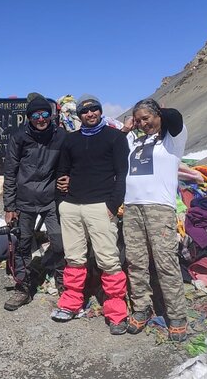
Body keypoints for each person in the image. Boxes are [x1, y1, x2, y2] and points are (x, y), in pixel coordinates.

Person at [51, 94, 130, 335]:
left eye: (94, 109)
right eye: (85, 111)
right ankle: (71, 303)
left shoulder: (115, 137)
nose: (90, 114)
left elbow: (122, 174)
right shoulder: (70, 140)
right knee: (74, 257)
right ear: (79, 115)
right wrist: (61, 194)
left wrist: (113, 204)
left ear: (100, 111)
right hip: (72, 207)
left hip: (101, 206)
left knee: (108, 259)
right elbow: (62, 170)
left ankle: (116, 311)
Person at [121, 99, 188, 341]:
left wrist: (156, 112)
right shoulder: (135, 140)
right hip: (131, 208)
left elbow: (175, 116)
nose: (142, 123)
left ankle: (177, 315)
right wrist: (128, 128)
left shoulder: (172, 139)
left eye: (146, 118)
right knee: (136, 261)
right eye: (138, 120)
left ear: (158, 115)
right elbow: (116, 146)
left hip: (159, 208)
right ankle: (142, 307)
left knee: (165, 262)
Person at [2, 94, 66, 310]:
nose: (41, 119)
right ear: (29, 118)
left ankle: (64, 287)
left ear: (51, 115)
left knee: (59, 244)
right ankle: (23, 289)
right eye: (36, 115)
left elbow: (73, 163)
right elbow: (10, 173)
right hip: (24, 202)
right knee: (22, 246)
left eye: (45, 114)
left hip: (52, 201)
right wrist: (9, 206)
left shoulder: (61, 137)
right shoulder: (19, 138)